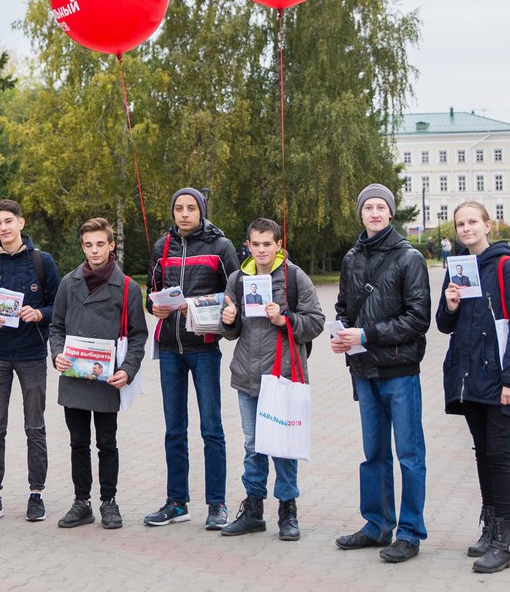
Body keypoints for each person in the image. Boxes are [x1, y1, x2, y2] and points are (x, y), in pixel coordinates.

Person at [331, 183, 431, 564]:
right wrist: (342, 334)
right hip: (363, 369)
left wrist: (366, 334)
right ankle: (376, 524)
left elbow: (417, 319)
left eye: (380, 207)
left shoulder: (410, 258)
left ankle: (409, 532)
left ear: (390, 213)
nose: (374, 213)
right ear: (360, 214)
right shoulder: (352, 257)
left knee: (409, 454)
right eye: (368, 207)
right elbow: (343, 305)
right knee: (373, 452)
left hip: (400, 370)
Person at [437, 202, 510, 573]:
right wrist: (449, 305)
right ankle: (489, 527)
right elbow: (445, 326)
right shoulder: (457, 268)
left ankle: (504, 542)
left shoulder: (507, 267)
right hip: (468, 378)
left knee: (499, 455)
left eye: (472, 222)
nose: (466, 229)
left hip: (498, 381)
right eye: (461, 224)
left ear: (487, 225)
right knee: (482, 453)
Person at [218, 218, 324, 542]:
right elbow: (231, 332)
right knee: (253, 446)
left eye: (268, 243)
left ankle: (287, 510)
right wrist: (228, 320)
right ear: (247, 245)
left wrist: (285, 318)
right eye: (256, 244)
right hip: (247, 377)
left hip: (282, 375)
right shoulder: (238, 278)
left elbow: (316, 321)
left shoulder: (294, 277)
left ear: (278, 245)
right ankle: (253, 510)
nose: (262, 249)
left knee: (282, 447)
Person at [145, 187, 239, 530]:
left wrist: (197, 305)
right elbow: (150, 292)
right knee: (174, 430)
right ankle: (176, 502)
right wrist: (152, 306)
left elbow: (234, 294)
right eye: (178, 208)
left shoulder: (220, 246)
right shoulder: (162, 247)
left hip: (204, 348)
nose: (184, 214)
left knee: (212, 429)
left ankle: (217, 504)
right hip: (170, 349)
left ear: (201, 211)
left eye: (190, 208)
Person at [50, 217, 147, 530]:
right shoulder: (68, 282)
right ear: (82, 247)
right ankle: (82, 502)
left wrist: (128, 370)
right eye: (89, 245)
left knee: (107, 442)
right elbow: (57, 327)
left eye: (100, 244)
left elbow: (138, 335)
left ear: (111, 244)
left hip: (108, 378)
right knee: (78, 442)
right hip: (74, 377)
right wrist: (57, 355)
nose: (94, 250)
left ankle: (109, 501)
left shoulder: (128, 287)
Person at [0, 200, 61, 525]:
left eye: (9, 221)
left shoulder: (42, 261)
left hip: (32, 356)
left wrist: (39, 314)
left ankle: (36, 494)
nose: (3, 227)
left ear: (21, 223)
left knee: (34, 427)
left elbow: (58, 307)